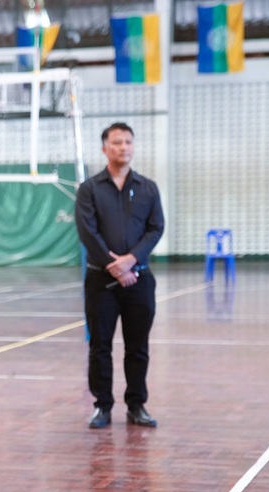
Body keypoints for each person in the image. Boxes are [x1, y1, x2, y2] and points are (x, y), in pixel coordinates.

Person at [75, 122, 165, 429]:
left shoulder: (148, 188)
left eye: (128, 141)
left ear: (133, 146)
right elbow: (87, 232)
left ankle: (137, 405)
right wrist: (113, 266)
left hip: (139, 280)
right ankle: (102, 406)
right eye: (116, 142)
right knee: (100, 346)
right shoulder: (89, 189)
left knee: (137, 346)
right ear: (105, 148)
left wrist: (131, 260)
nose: (123, 147)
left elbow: (156, 228)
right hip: (100, 282)